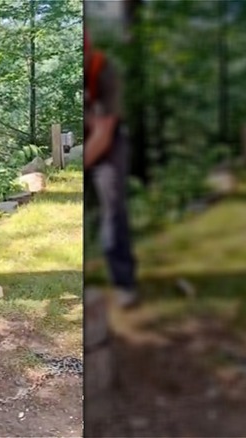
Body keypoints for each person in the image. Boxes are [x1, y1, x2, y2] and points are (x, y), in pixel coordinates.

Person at [84, 32, 139, 308]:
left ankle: (123, 282)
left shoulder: (102, 69)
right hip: (85, 138)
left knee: (113, 208)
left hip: (109, 143)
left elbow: (104, 133)